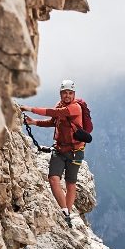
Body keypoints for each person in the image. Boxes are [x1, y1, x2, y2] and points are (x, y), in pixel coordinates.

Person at [21, 79, 85, 227]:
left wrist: (30, 108)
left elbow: (53, 113)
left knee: (70, 183)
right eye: (64, 93)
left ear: (74, 94)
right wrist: (34, 122)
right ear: (61, 94)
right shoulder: (60, 105)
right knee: (53, 179)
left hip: (75, 152)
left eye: (70, 93)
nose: (67, 96)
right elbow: (53, 121)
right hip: (60, 149)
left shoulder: (75, 108)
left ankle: (67, 213)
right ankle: (65, 211)